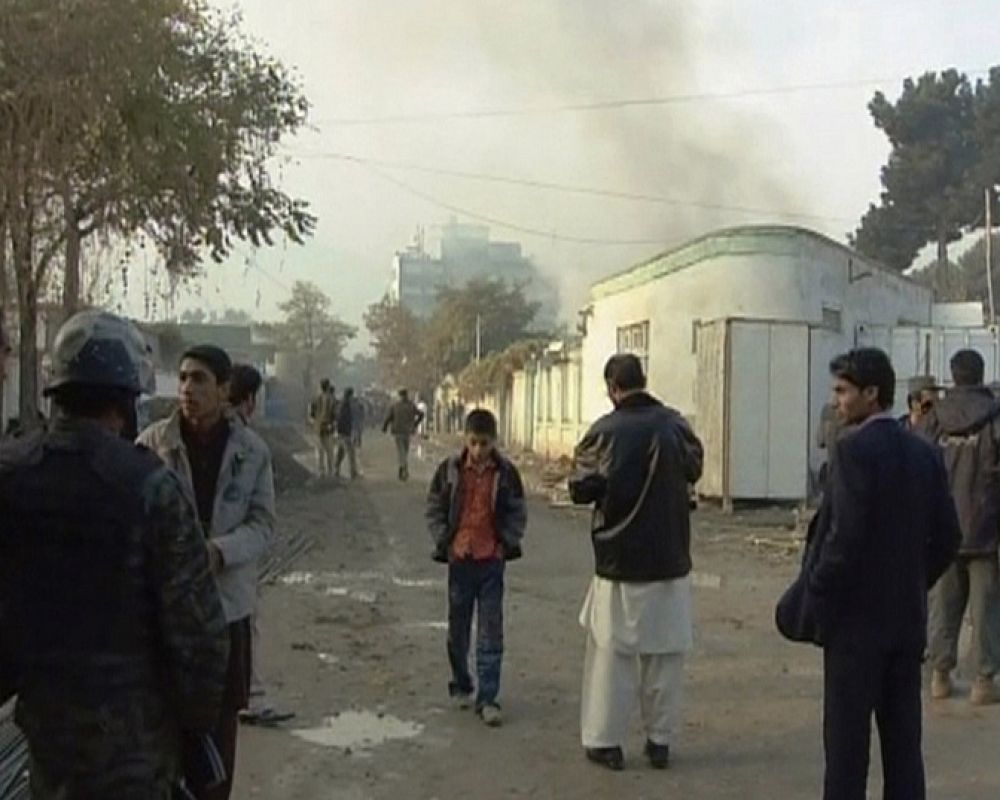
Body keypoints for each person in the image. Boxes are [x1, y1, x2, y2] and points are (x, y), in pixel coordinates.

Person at [0, 311, 229, 799]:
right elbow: (200, 638)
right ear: (125, 401)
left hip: (46, 736)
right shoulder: (150, 487)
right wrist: (194, 726)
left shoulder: (11, 475)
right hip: (134, 745)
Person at [808, 348, 960, 800]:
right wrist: (915, 581)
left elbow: (843, 540)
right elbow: (948, 536)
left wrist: (819, 591)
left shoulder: (853, 451)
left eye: (843, 390)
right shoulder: (924, 452)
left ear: (871, 394)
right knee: (903, 751)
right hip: (905, 623)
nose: (837, 401)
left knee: (847, 754)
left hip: (855, 628)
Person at [138, 345, 276, 800]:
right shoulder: (151, 446)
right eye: (182, 378)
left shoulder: (252, 452)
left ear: (222, 389)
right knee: (160, 730)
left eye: (199, 380)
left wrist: (219, 552)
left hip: (226, 612)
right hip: (163, 614)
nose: (187, 389)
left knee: (218, 739)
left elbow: (263, 525)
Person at [569, 354, 703, 772]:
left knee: (612, 658)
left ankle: (605, 741)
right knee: (666, 656)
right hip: (669, 558)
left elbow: (580, 487)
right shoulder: (677, 426)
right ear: (643, 380)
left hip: (619, 559)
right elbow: (694, 469)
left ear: (612, 386)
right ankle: (659, 741)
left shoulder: (603, 432)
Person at [426, 409, 527, 727]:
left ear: (493, 441)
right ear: (465, 440)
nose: (480, 450)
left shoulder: (507, 473)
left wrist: (505, 542)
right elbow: (434, 507)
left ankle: (488, 697)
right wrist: (444, 539)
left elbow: (517, 512)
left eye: (485, 443)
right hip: (460, 560)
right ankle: (461, 682)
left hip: (491, 562)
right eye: (474, 443)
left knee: (490, 632)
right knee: (458, 629)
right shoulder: (450, 471)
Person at [919, 349, 1000, 705]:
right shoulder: (995, 417)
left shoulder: (934, 418)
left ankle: (940, 675)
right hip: (986, 527)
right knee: (986, 609)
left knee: (944, 604)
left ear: (953, 375)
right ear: (981, 374)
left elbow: (914, 467)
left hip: (942, 529)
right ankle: (983, 681)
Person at [384, 388, 424, 481]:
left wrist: (385, 427)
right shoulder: (411, 405)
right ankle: (403, 467)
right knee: (405, 450)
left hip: (397, 431)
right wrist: (415, 423)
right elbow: (421, 414)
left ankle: (402, 467)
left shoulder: (395, 406)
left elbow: (389, 417)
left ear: (400, 396)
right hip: (407, 431)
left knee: (401, 451)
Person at [309, 379, 337, 478]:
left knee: (320, 451)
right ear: (328, 386)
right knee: (330, 451)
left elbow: (311, 414)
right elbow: (334, 414)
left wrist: (316, 421)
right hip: (328, 427)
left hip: (318, 427)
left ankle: (321, 471)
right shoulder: (332, 399)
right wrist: (332, 424)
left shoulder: (316, 398)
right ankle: (331, 471)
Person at [335, 387, 359, 479]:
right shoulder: (345, 406)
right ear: (350, 395)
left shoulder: (342, 404)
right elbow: (344, 419)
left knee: (340, 452)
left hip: (341, 432)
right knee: (351, 453)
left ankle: (336, 469)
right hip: (345, 432)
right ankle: (353, 473)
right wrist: (349, 431)